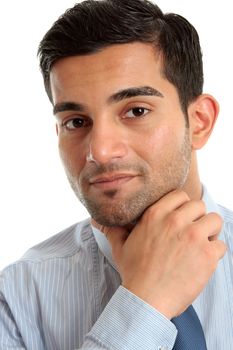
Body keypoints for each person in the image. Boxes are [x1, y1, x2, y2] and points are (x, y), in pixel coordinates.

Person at [0, 0, 232, 348]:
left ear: (199, 122)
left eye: (136, 111)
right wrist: (145, 303)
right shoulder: (18, 299)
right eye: (76, 122)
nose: (100, 151)